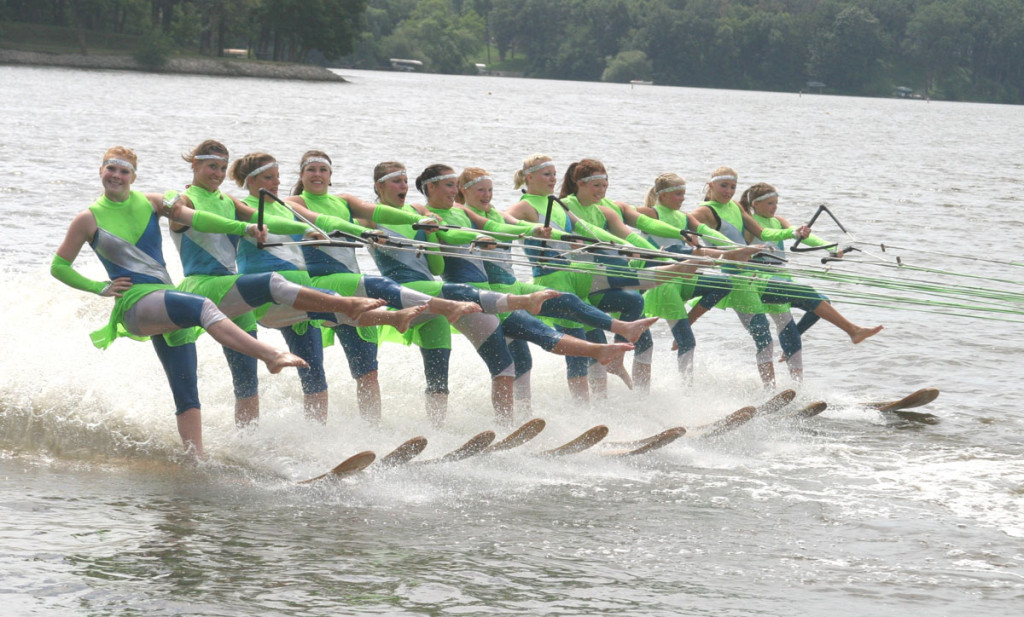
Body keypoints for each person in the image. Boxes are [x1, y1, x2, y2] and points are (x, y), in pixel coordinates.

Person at [51, 147, 308, 458]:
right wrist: (100, 287)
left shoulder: (154, 202)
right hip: (135, 302)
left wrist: (271, 227)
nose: (116, 176)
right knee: (201, 306)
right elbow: (59, 266)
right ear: (101, 171)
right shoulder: (87, 219)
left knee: (185, 386)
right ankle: (270, 355)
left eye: (124, 171)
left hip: (165, 300)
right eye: (111, 169)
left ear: (134, 176)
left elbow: (195, 217)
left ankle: (194, 459)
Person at [365, 161, 633, 425]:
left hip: (449, 298)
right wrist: (463, 236)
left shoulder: (426, 212)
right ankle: (594, 346)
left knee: (473, 368)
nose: (403, 185)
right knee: (530, 334)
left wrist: (531, 230)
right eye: (396, 181)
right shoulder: (377, 214)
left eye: (404, 181)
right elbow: (447, 242)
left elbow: (441, 262)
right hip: (427, 294)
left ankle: (508, 426)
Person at [169, 140, 390, 425]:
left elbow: (268, 223)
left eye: (223, 167)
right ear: (195, 165)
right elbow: (196, 218)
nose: (218, 173)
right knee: (232, 378)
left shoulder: (229, 202)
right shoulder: (185, 199)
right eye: (212, 166)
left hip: (240, 295)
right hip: (208, 288)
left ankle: (289, 440)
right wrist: (245, 227)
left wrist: (306, 229)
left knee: (250, 379)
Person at [228, 151, 435, 424]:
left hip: (309, 295)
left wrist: (416, 219)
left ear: (330, 175)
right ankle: (410, 313)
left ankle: (354, 433)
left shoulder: (293, 205)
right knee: (251, 379)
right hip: (282, 294)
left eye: (323, 170)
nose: (317, 175)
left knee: (345, 372)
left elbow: (364, 214)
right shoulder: (283, 204)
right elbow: (316, 221)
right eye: (311, 170)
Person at [504, 154, 732, 401]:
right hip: (552, 279)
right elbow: (504, 221)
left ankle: (604, 407)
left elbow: (592, 231)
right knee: (580, 352)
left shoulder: (556, 204)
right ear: (529, 177)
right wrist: (532, 229)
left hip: (577, 276)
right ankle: (585, 412)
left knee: (626, 300)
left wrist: (627, 246)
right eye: (546, 174)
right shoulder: (525, 205)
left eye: (554, 174)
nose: (553, 179)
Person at [425, 164, 649, 413]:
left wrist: (538, 231)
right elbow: (452, 240)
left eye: (489, 189)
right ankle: (517, 421)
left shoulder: (492, 214)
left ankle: (528, 419)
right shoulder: (461, 214)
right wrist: (476, 237)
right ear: (463, 192)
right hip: (490, 295)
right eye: (480, 190)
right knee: (515, 358)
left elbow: (508, 227)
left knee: (527, 354)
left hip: (512, 290)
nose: (486, 195)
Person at [690, 167, 882, 384]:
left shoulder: (734, 207)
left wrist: (800, 236)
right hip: (740, 282)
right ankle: (770, 393)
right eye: (723, 186)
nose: (728, 191)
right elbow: (688, 226)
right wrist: (706, 250)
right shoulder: (705, 210)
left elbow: (764, 233)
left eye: (733, 187)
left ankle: (795, 391)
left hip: (757, 280)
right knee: (766, 336)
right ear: (711, 185)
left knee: (785, 329)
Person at [739, 181, 883, 361]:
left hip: (782, 279)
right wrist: (791, 234)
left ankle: (796, 384)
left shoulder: (779, 221)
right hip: (761, 280)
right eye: (770, 204)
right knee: (809, 299)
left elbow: (801, 235)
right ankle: (853, 330)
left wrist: (829, 247)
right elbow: (767, 234)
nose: (774, 208)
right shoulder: (751, 224)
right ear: (755, 204)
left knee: (822, 303)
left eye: (776, 203)